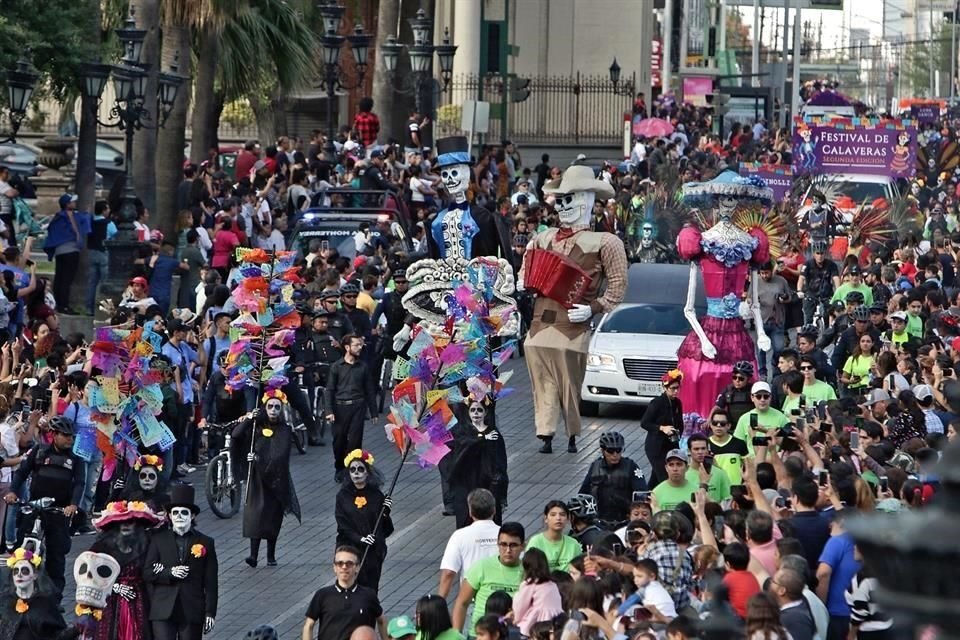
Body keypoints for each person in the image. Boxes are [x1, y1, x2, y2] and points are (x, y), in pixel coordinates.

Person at [676, 172, 774, 418]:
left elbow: (754, 303)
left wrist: (761, 332)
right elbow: (688, 308)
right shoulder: (704, 242)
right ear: (717, 201)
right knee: (700, 374)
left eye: (732, 199)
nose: (728, 204)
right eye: (724, 198)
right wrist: (705, 341)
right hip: (709, 328)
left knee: (741, 375)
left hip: (735, 331)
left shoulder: (748, 242)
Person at [4, 415, 83, 600]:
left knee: (57, 557)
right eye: (66, 435)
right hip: (35, 510)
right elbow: (22, 472)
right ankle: (19, 594)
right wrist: (13, 492)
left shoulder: (76, 459)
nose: (70, 439)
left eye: (72, 436)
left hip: (59, 512)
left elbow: (80, 483)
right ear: (54, 435)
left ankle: (55, 600)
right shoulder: (39, 451)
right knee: (22, 552)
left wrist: (73, 505)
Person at [231, 392, 301, 567]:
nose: (273, 410)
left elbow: (280, 454)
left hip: (276, 479)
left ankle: (271, 554)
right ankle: (253, 555)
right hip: (256, 479)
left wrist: (259, 458)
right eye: (270, 406)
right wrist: (249, 419)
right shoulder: (256, 426)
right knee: (255, 515)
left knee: (272, 517)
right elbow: (236, 435)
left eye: (277, 407)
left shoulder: (285, 430)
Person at [143, 484, 219, 640]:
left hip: (192, 608)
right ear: (170, 516)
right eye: (175, 513)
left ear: (192, 516)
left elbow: (211, 582)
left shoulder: (205, 542)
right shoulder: (158, 540)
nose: (179, 516)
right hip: (163, 609)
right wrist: (169, 572)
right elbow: (147, 572)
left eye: (184, 513)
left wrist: (210, 612)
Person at [90, 501, 163, 640]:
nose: (125, 525)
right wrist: (114, 587)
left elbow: (152, 567)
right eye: (121, 522)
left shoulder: (146, 544)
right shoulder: (101, 547)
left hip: (139, 597)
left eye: (130, 522)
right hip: (110, 599)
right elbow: (90, 572)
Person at [335, 449, 393, 592]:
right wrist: (360, 539)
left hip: (372, 551)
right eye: (352, 469)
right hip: (350, 548)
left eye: (360, 469)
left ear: (367, 472)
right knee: (351, 585)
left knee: (371, 587)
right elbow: (343, 525)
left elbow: (385, 528)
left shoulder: (376, 495)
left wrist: (385, 512)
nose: (356, 473)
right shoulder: (343, 496)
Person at [451, 522, 525, 633]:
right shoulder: (481, 567)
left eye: (513, 545)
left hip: (513, 633)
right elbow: (462, 603)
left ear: (523, 546)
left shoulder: (529, 572)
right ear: (497, 544)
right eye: (503, 544)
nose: (508, 550)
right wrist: (456, 635)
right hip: (479, 635)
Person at [447, 396, 508, 529]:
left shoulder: (494, 433)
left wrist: (500, 486)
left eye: (479, 410)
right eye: (472, 410)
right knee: (465, 521)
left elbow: (500, 460)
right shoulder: (463, 431)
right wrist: (482, 438)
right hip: (466, 483)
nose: (476, 413)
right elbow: (462, 448)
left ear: (485, 413)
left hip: (488, 483)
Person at [302, 546, 387, 640]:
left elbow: (381, 620)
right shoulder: (323, 595)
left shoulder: (368, 595)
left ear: (357, 568)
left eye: (349, 563)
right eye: (340, 563)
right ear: (334, 567)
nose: (344, 567)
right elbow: (308, 625)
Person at [325, 334, 377, 483]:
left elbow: (370, 390)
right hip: (340, 408)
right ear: (347, 347)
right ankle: (339, 468)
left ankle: (351, 470)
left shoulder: (363, 367)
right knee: (339, 441)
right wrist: (329, 411)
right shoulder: (336, 366)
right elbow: (329, 390)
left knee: (355, 441)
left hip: (358, 407)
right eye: (356, 345)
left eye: (360, 345)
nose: (359, 348)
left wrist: (373, 412)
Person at [438, 488, 500, 598]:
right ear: (494, 510)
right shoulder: (506, 535)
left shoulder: (459, 536)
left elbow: (448, 573)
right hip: (503, 600)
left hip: (472, 600)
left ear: (470, 512)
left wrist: (438, 604)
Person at [0, 548, 71, 640]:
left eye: (25, 571)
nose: (19, 575)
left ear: (34, 575)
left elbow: (59, 634)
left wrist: (75, 629)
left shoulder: (45, 604)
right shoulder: (5, 601)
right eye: (16, 571)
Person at [578, 430, 647, 525]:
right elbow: (583, 494)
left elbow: (641, 494)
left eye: (618, 450)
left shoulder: (631, 466)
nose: (615, 454)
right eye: (610, 451)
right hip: (599, 521)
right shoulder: (595, 467)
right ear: (602, 451)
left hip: (624, 521)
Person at [43, 193, 90, 315]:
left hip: (59, 252)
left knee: (59, 278)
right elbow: (82, 227)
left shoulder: (57, 217)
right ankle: (64, 305)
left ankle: (58, 304)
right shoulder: (73, 216)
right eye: (72, 202)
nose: (75, 204)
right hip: (71, 251)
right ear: (67, 204)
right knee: (67, 280)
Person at [641, 369, 684, 486]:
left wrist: (677, 432)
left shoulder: (677, 403)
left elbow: (680, 423)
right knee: (664, 476)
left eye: (677, 388)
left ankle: (647, 496)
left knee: (656, 477)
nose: (676, 391)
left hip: (671, 445)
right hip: (656, 446)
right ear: (665, 388)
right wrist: (662, 428)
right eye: (672, 388)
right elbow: (644, 423)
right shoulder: (657, 403)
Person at [511, 547, 562, 637]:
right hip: (554, 624)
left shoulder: (530, 584)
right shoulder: (553, 585)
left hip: (534, 624)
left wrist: (516, 619)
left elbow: (521, 605)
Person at [734, 382, 790, 456]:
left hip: (774, 461)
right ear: (752, 398)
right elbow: (738, 445)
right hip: (753, 461)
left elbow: (787, 444)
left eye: (766, 396)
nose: (762, 400)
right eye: (759, 396)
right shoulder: (744, 418)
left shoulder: (780, 416)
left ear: (770, 397)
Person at [524, 500, 581, 573]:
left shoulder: (573, 544)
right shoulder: (535, 542)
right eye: (553, 514)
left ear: (567, 519)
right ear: (545, 519)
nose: (558, 518)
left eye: (562, 514)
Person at [769, 568, 816, 640]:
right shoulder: (801, 605)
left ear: (781, 591)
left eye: (773, 581)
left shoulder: (792, 618)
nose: (770, 584)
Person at [707, 407, 749, 486]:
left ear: (728, 426)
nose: (718, 426)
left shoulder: (739, 444)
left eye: (722, 423)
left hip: (736, 489)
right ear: (711, 425)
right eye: (715, 423)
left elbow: (748, 467)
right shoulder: (705, 445)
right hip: (714, 489)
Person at [687, 433, 731, 502]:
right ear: (689, 451)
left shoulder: (720, 473)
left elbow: (728, 500)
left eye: (703, 448)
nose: (700, 452)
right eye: (696, 449)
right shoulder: (684, 474)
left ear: (708, 450)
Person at [721, 542, 760, 619]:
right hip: (754, 616)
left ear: (728, 564)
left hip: (739, 618)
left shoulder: (729, 578)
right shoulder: (752, 577)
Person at [716, 361, 758, 428]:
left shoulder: (754, 390)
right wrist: (709, 420)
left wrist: (753, 427)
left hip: (749, 427)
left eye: (741, 378)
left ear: (748, 379)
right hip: (732, 427)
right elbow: (718, 407)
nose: (737, 381)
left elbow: (758, 410)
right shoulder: (728, 389)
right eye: (734, 377)